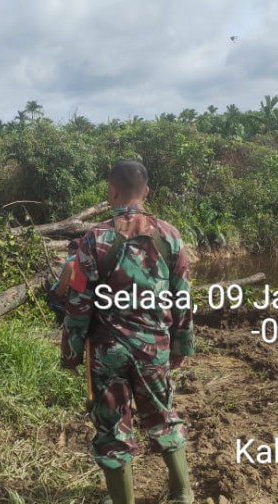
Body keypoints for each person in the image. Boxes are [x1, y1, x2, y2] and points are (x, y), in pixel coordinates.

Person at [61, 160, 194, 504]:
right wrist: (181, 345)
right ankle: (182, 493)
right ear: (146, 192)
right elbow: (182, 297)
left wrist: (72, 350)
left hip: (108, 353)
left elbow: (79, 302)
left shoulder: (94, 238)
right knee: (163, 418)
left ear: (112, 191)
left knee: (112, 429)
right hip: (154, 350)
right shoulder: (170, 235)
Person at [47, 239, 80, 326]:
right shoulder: (86, 262)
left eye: (68, 250)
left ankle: (61, 319)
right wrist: (65, 263)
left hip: (74, 301)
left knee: (51, 296)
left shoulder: (70, 265)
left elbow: (61, 290)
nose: (67, 252)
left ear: (72, 250)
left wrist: (53, 293)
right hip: (86, 300)